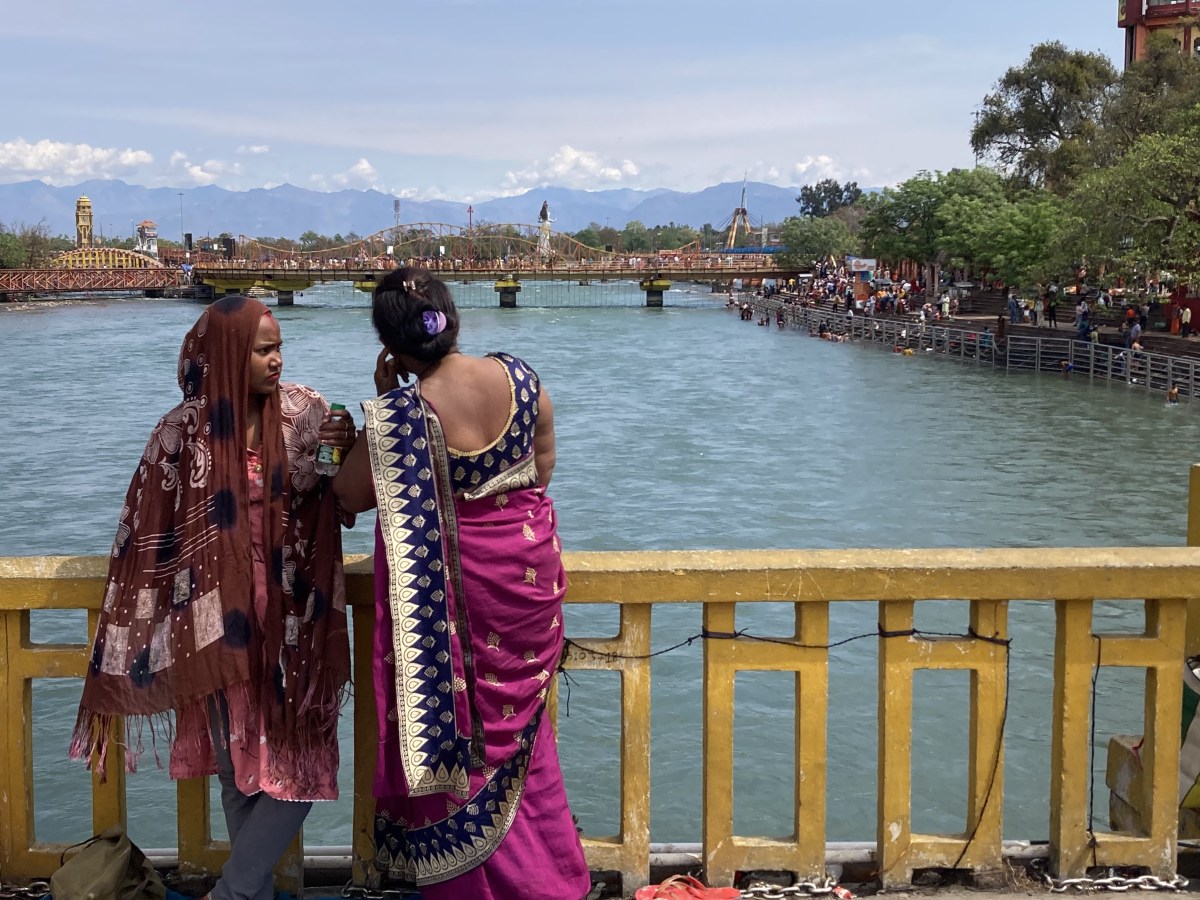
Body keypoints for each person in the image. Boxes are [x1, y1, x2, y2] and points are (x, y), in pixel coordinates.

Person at [70, 296, 355, 900]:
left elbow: (332, 496)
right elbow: (147, 526)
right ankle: (249, 892)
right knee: (235, 766)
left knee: (302, 763)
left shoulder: (306, 411)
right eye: (263, 350)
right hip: (214, 618)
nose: (277, 361)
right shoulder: (181, 431)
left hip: (291, 614)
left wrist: (343, 445)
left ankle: (234, 891)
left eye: (279, 348)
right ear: (228, 355)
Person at [332, 268, 591, 900]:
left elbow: (348, 495)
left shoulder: (401, 416)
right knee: (524, 744)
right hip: (526, 593)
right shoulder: (523, 381)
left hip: (450, 609)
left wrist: (383, 406)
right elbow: (542, 470)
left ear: (391, 347)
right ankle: (552, 882)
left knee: (458, 754)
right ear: (454, 317)